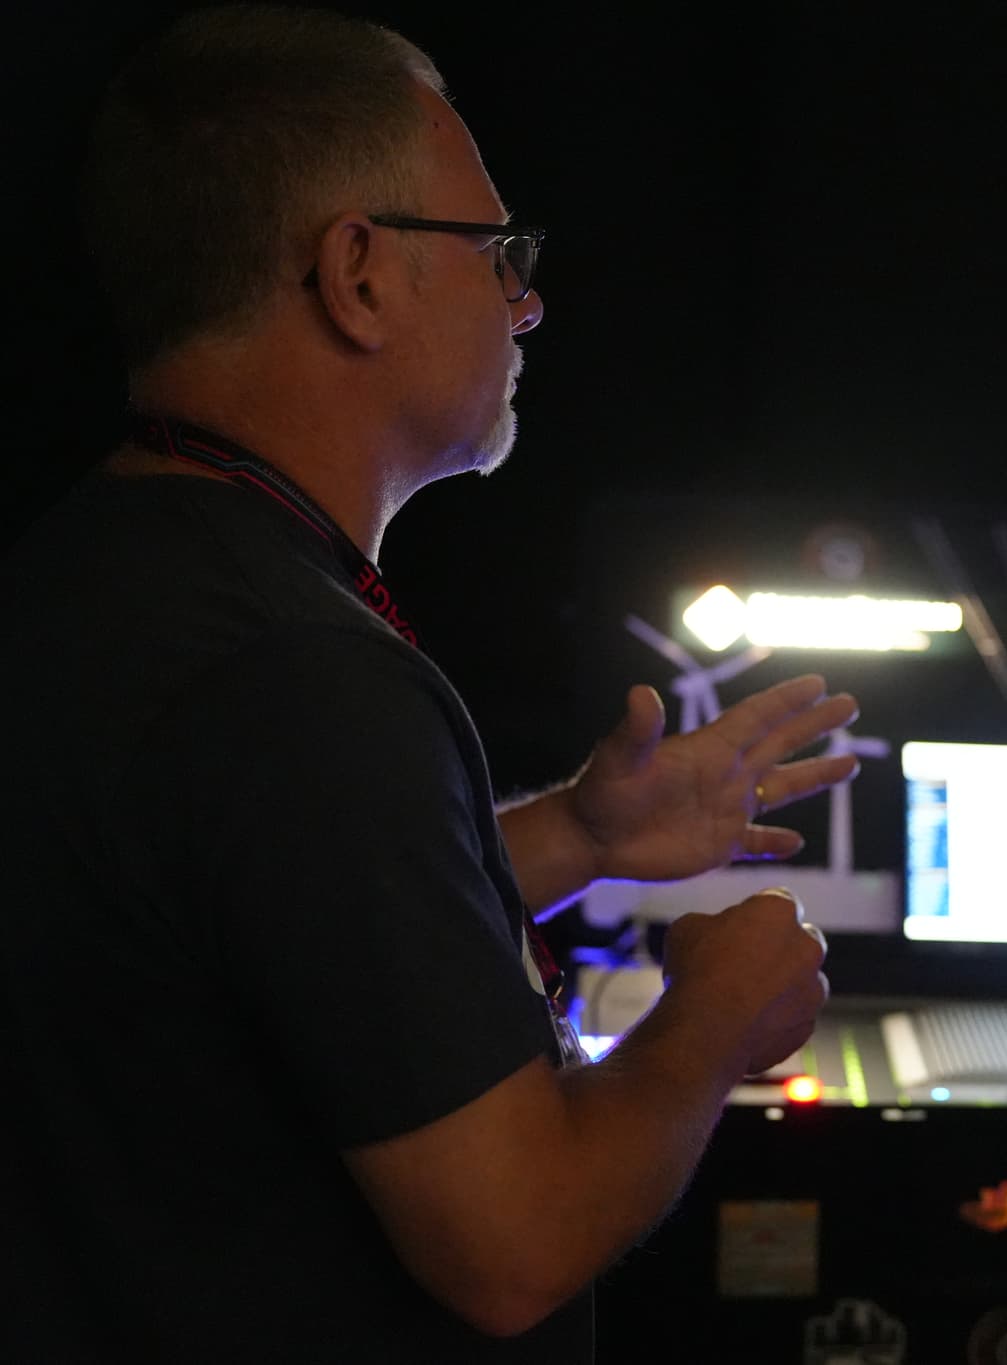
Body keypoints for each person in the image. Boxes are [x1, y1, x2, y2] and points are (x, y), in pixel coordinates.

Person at [2, 7, 857, 1361]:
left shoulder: (99, 567)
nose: (527, 300)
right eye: (496, 250)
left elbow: (265, 935)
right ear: (358, 274)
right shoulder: (295, 681)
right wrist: (714, 1018)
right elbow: (513, 1245)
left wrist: (582, 834)